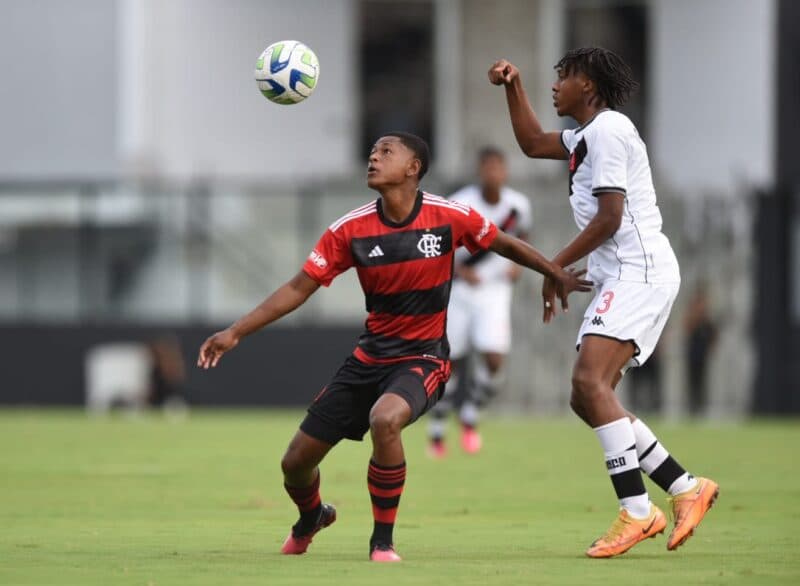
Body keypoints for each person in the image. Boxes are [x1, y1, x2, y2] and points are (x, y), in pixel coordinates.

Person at [197, 132, 591, 562]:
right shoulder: (349, 229)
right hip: (368, 359)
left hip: (424, 357)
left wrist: (554, 271)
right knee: (294, 464)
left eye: (386, 151)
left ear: (413, 168)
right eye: (372, 151)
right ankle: (312, 517)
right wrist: (235, 331)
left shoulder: (449, 216)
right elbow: (297, 288)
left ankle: (381, 542)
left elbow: (505, 244)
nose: (374, 156)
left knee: (385, 420)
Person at [489, 47, 719, 558]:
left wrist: (553, 265)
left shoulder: (610, 130)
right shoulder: (586, 136)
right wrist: (513, 85)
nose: (555, 86)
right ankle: (684, 487)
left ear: (588, 88)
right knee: (589, 397)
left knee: (589, 383)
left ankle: (637, 511)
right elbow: (529, 142)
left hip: (638, 271)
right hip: (621, 273)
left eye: (563, 77)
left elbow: (610, 217)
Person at [427, 147, 532, 456]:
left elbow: (523, 238)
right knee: (452, 362)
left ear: (506, 171)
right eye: (488, 168)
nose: (493, 174)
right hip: (460, 290)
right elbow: (439, 245)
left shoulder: (518, 206)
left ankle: (471, 415)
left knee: (494, 358)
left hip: (496, 291)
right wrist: (458, 269)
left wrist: (517, 265)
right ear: (480, 171)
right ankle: (437, 429)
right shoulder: (462, 202)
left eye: (499, 167)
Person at [684, 283, 718, 415]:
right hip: (692, 353)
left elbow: (713, 333)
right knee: (692, 381)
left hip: (702, 354)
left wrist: (711, 347)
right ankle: (692, 406)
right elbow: (687, 329)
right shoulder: (693, 316)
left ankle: (701, 406)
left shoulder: (706, 320)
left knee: (702, 381)